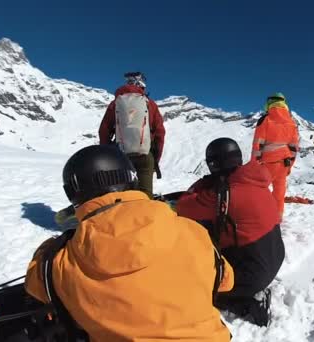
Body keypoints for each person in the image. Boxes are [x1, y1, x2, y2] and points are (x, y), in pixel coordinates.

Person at [24, 145, 234, 341]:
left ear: (73, 194)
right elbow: (226, 281)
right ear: (132, 179)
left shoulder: (59, 262)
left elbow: (35, 285)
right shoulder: (193, 232)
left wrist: (51, 247)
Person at [177, 138, 285, 327]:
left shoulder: (226, 193)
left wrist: (203, 184)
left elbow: (184, 206)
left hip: (252, 274)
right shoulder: (255, 181)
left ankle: (249, 304)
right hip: (273, 255)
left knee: (197, 286)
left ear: (213, 164)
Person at [98, 71, 165, 197]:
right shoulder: (150, 104)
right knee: (145, 196)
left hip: (121, 157)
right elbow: (160, 133)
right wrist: (155, 160)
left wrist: (108, 155)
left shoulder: (115, 104)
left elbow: (104, 131)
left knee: (123, 195)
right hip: (145, 155)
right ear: (142, 86)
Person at [251, 92, 299, 218]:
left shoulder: (265, 120)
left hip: (267, 163)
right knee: (279, 193)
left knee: (259, 190)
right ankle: (277, 219)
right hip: (284, 163)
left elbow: (257, 145)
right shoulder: (292, 123)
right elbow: (294, 148)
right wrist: (290, 166)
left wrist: (254, 165)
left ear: (269, 103)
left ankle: (259, 217)